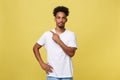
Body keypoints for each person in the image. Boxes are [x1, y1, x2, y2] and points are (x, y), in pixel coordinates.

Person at [33, 6, 77, 80]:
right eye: (58, 17)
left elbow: (71, 53)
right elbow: (35, 48)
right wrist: (42, 64)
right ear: (55, 19)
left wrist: (58, 41)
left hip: (67, 75)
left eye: (63, 18)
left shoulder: (71, 34)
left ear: (66, 20)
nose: (61, 20)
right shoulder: (47, 34)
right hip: (52, 75)